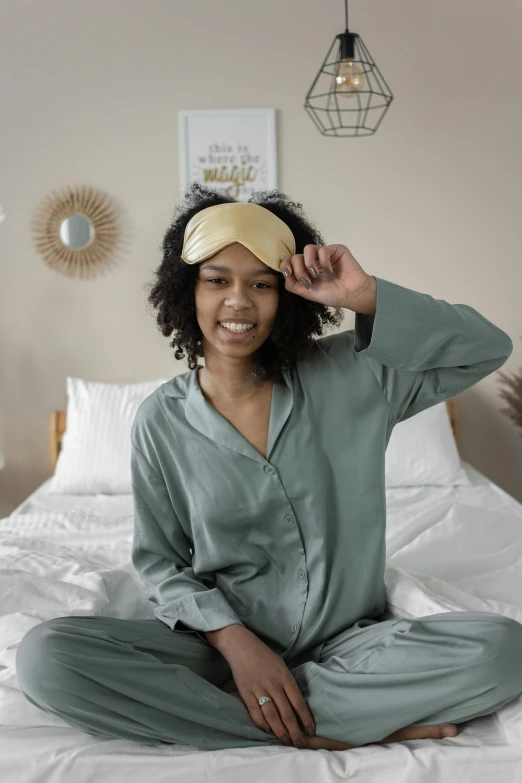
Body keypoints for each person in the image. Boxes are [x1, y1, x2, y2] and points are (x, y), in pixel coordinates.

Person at [16, 183, 522, 753]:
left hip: (349, 643)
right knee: (45, 658)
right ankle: (338, 722)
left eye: (261, 283)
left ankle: (272, 721)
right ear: (188, 294)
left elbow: (486, 347)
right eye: (217, 280)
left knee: (505, 649)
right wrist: (236, 644)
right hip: (218, 652)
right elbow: (160, 563)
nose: (239, 301)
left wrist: (365, 295)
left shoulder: (356, 374)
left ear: (287, 297)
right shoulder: (160, 420)